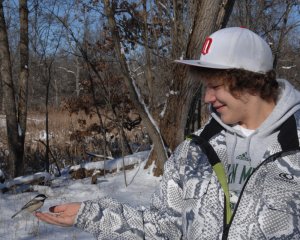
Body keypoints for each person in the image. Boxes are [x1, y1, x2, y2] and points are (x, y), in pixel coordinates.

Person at [35, 27, 300, 239]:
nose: (208, 98)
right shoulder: (194, 152)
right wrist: (92, 216)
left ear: (251, 81)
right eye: (206, 87)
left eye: (216, 86)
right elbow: (165, 228)